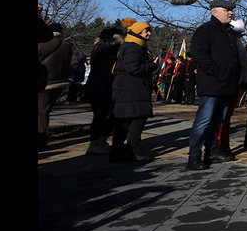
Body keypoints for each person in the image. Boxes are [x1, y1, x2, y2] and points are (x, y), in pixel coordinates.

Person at [186, 0, 242, 170]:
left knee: (218, 120)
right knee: (204, 121)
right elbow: (198, 53)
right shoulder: (205, 30)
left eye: (231, 10)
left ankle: (212, 152)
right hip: (212, 84)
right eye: (227, 10)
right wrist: (215, 71)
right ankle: (194, 156)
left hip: (227, 85)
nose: (231, 12)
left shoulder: (230, 33)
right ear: (214, 12)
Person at [110, 19, 159, 162]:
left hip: (128, 88)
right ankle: (133, 151)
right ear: (137, 33)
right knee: (138, 119)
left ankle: (117, 152)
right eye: (146, 31)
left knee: (124, 121)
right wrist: (152, 66)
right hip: (133, 89)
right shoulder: (134, 47)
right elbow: (134, 69)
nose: (149, 34)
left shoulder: (131, 46)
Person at [216, 19, 247, 156]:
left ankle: (220, 146)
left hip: (225, 82)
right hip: (231, 82)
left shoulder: (228, 42)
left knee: (222, 116)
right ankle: (222, 146)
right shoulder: (236, 44)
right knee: (224, 117)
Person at [82, 26, 124, 155]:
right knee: (100, 116)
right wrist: (119, 40)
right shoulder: (100, 46)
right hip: (99, 87)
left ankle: (101, 140)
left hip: (104, 86)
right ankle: (95, 143)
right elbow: (110, 47)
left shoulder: (104, 48)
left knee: (110, 115)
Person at [38, 22, 74, 151]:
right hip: (60, 83)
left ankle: (40, 143)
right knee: (45, 112)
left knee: (41, 114)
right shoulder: (66, 46)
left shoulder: (42, 44)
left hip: (44, 84)